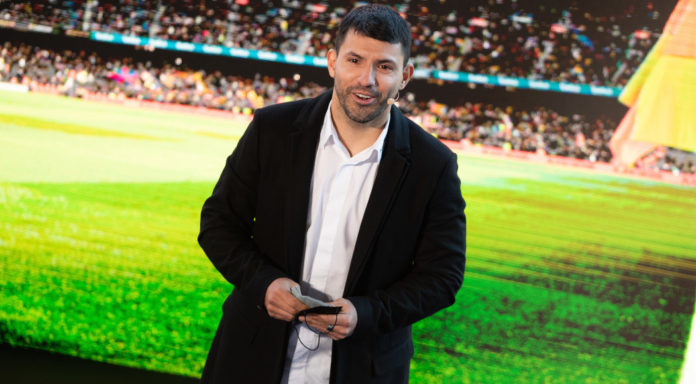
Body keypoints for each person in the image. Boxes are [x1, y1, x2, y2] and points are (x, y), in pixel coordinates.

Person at [198, 4, 466, 383]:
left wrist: (367, 313)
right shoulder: (271, 130)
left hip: (364, 368)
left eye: (384, 67)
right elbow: (218, 224)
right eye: (354, 60)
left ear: (405, 75)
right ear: (332, 61)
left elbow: (443, 275)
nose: (367, 79)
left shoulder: (433, 164)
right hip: (250, 355)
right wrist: (264, 284)